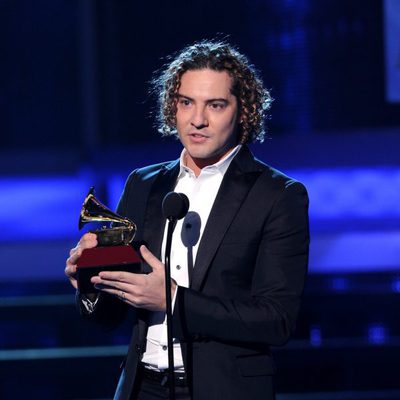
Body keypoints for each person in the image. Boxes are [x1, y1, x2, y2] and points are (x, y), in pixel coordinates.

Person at [65, 40, 310, 400]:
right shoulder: (143, 184)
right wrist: (90, 282)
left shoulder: (277, 195)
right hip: (140, 388)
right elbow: (111, 317)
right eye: (186, 103)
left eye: (215, 105)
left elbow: (276, 321)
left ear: (244, 112)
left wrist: (174, 302)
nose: (197, 120)